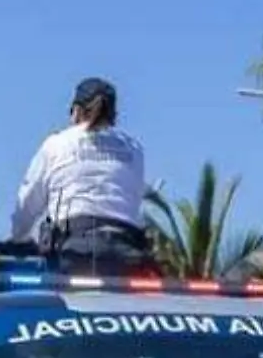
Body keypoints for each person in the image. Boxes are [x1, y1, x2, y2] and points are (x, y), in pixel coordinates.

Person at [11, 77, 157, 275]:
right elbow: (134, 196)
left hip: (75, 251)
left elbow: (28, 202)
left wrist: (18, 238)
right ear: (114, 114)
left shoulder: (57, 144)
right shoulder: (134, 148)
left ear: (76, 111)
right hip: (127, 249)